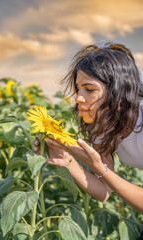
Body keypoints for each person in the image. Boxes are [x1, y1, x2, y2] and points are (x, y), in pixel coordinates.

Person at [33, 42, 143, 237]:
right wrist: (66, 160)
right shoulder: (103, 125)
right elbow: (103, 191)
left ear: (119, 91)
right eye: (78, 89)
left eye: (89, 89)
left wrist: (99, 167)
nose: (78, 98)